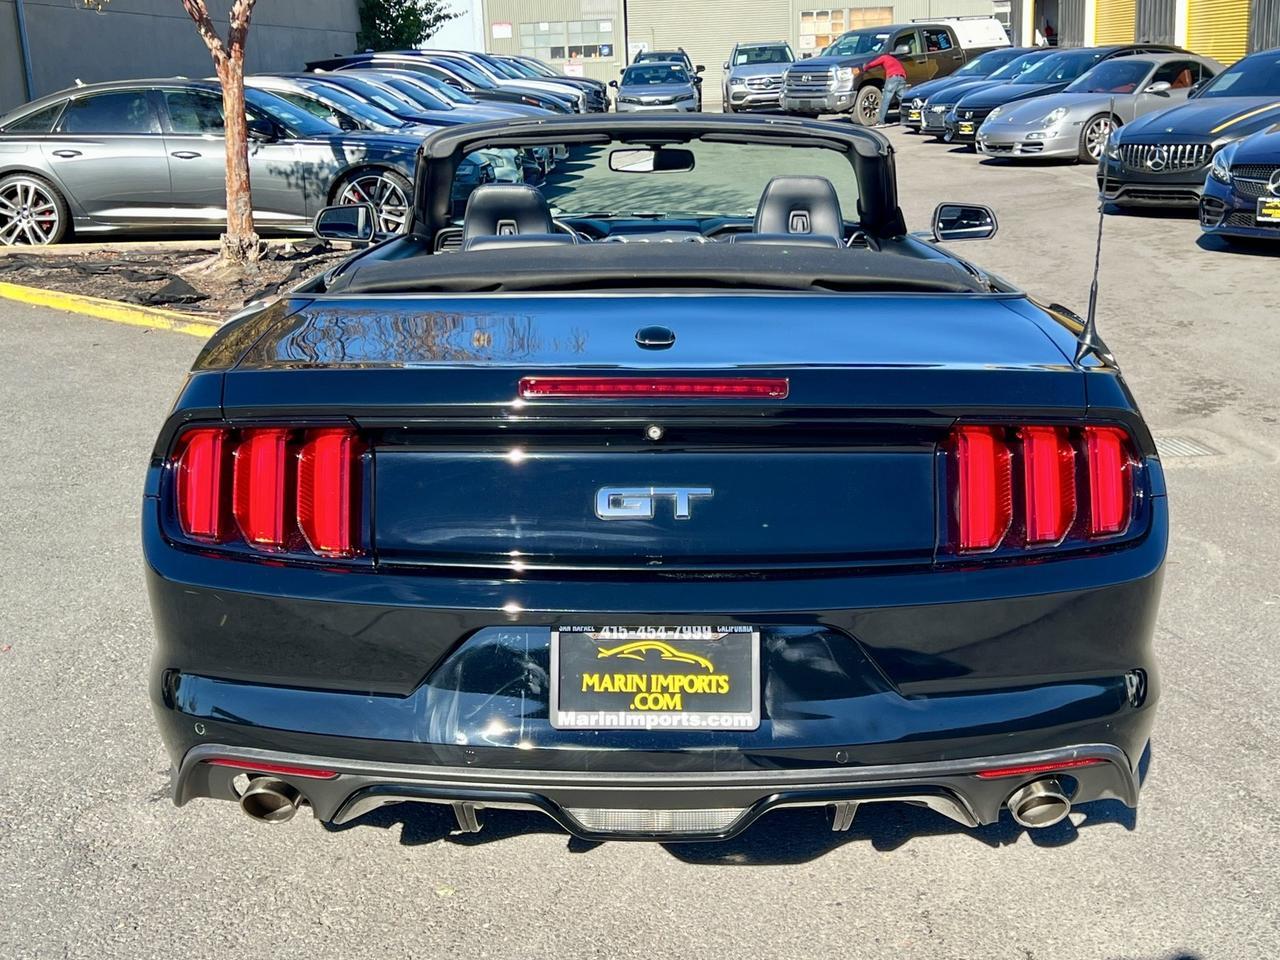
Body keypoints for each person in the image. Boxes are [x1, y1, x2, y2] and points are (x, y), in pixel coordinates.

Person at [864, 50, 907, 127]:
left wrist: (866, 67)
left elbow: (873, 64)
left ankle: (881, 121)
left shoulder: (884, 57)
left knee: (885, 100)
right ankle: (904, 120)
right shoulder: (894, 60)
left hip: (892, 78)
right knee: (903, 100)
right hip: (902, 78)